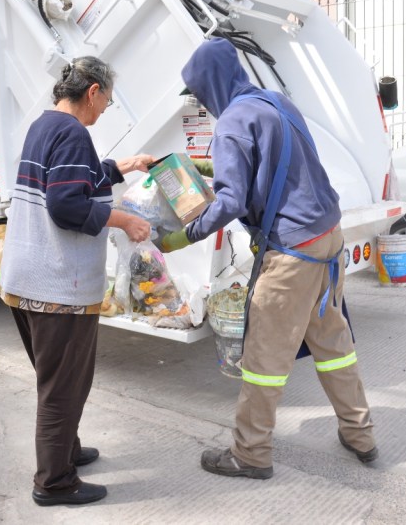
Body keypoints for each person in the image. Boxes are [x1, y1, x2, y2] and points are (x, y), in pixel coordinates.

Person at [161, 37, 378, 479]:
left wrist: (181, 238)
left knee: (264, 360)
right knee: (333, 344)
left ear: (211, 85)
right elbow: (278, 161)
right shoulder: (273, 102)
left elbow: (230, 203)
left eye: (200, 94)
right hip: (327, 240)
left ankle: (251, 454)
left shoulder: (231, 124)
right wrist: (206, 167)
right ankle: (361, 435)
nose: (201, 103)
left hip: (293, 254)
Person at [0, 56, 153, 506]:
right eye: (105, 100)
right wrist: (123, 220)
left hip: (26, 281)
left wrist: (122, 166)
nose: (104, 109)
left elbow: (73, 180)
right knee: (62, 387)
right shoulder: (73, 133)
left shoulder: (45, 126)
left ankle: (66, 450)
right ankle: (54, 482)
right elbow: (66, 206)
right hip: (57, 288)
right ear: (92, 92)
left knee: (57, 381)